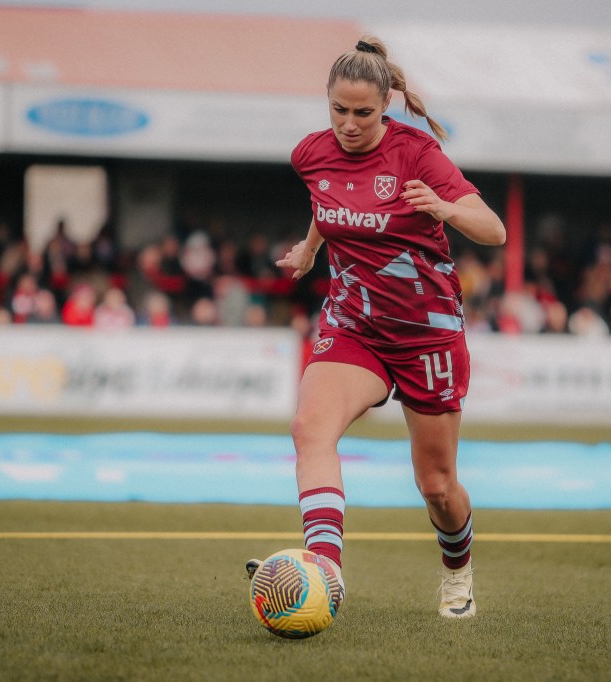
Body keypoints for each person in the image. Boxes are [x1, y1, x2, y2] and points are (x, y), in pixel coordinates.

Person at [247, 36, 505, 620]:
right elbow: (329, 200)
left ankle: (457, 574)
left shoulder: (417, 154)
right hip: (353, 325)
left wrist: (445, 208)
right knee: (310, 429)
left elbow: (495, 230)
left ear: (386, 104)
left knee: (437, 486)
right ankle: (325, 569)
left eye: (363, 113)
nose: (349, 124)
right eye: (339, 110)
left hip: (426, 334)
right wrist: (311, 248)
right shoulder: (310, 154)